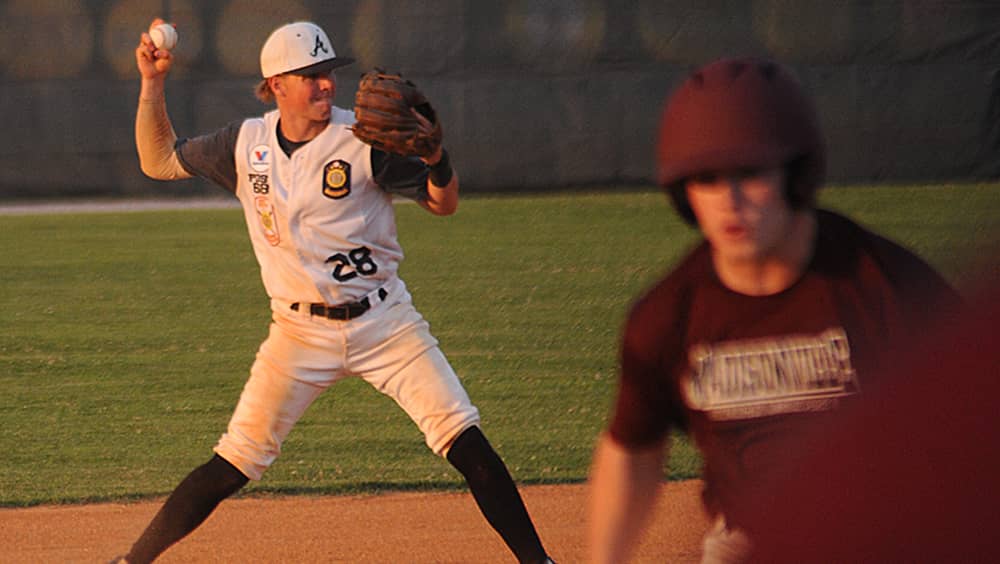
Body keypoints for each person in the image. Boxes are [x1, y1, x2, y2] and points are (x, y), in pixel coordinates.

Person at [116, 18, 554, 564]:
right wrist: (152, 83)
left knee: (464, 439)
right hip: (297, 334)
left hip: (385, 324)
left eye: (329, 73)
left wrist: (439, 161)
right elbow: (158, 161)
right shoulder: (245, 144)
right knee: (233, 462)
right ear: (277, 85)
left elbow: (444, 204)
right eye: (311, 75)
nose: (326, 84)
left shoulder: (364, 140)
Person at [586, 56, 962, 563]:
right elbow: (632, 449)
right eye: (707, 179)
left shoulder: (889, 287)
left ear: (796, 175)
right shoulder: (669, 315)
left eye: (750, 173)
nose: (730, 201)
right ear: (682, 193)